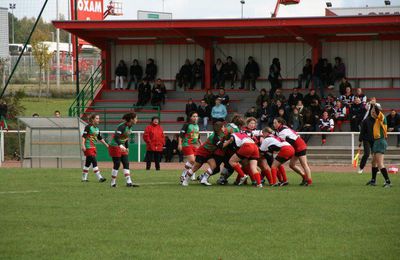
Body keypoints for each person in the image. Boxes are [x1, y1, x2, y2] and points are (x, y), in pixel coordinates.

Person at [181, 121, 227, 186]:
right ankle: (185, 180)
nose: (224, 128)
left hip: (208, 153)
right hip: (202, 153)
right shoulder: (214, 137)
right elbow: (221, 146)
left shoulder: (220, 134)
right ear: (220, 128)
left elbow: (223, 138)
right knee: (195, 168)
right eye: (223, 127)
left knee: (213, 165)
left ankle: (204, 180)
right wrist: (230, 141)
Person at [274, 117, 312, 186]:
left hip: (300, 145)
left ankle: (309, 181)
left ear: (280, 123)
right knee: (292, 165)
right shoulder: (281, 129)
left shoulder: (283, 131)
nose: (274, 124)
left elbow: (280, 142)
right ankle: (304, 176)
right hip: (295, 146)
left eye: (275, 122)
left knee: (304, 164)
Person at [108, 112, 139, 187]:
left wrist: (127, 147)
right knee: (117, 163)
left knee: (126, 163)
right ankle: (113, 183)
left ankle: (129, 182)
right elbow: (116, 137)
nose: (137, 120)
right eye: (136, 118)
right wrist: (120, 145)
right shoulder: (122, 126)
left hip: (122, 146)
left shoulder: (130, 127)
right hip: (114, 145)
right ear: (131, 119)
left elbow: (126, 138)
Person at [366, 104, 392, 187]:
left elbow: (377, 111)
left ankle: (388, 182)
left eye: (373, 110)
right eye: (371, 110)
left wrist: (374, 105)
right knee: (373, 162)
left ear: (378, 110)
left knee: (380, 163)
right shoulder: (377, 119)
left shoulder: (381, 117)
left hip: (380, 141)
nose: (372, 112)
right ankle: (373, 180)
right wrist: (372, 107)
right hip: (377, 142)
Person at [81, 114, 109, 182]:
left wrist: (107, 145)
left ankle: (84, 178)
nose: (98, 120)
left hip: (93, 147)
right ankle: (99, 177)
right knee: (94, 160)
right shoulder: (88, 127)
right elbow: (84, 136)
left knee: (88, 163)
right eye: (97, 118)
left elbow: (100, 138)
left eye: (98, 118)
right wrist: (83, 145)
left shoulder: (97, 129)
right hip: (88, 147)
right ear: (93, 119)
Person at [179, 111, 201, 182]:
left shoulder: (197, 126)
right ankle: (185, 175)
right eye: (193, 116)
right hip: (186, 144)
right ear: (190, 117)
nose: (195, 118)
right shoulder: (186, 125)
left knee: (194, 162)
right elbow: (181, 135)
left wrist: (201, 144)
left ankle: (184, 176)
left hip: (194, 145)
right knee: (192, 161)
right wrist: (179, 144)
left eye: (196, 116)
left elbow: (198, 137)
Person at [358, 109, 376, 174]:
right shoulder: (366, 120)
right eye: (372, 112)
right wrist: (360, 140)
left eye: (374, 112)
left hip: (375, 139)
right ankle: (361, 167)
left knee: (375, 155)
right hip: (366, 139)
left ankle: (376, 168)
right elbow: (362, 131)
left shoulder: (378, 120)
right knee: (367, 154)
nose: (373, 113)